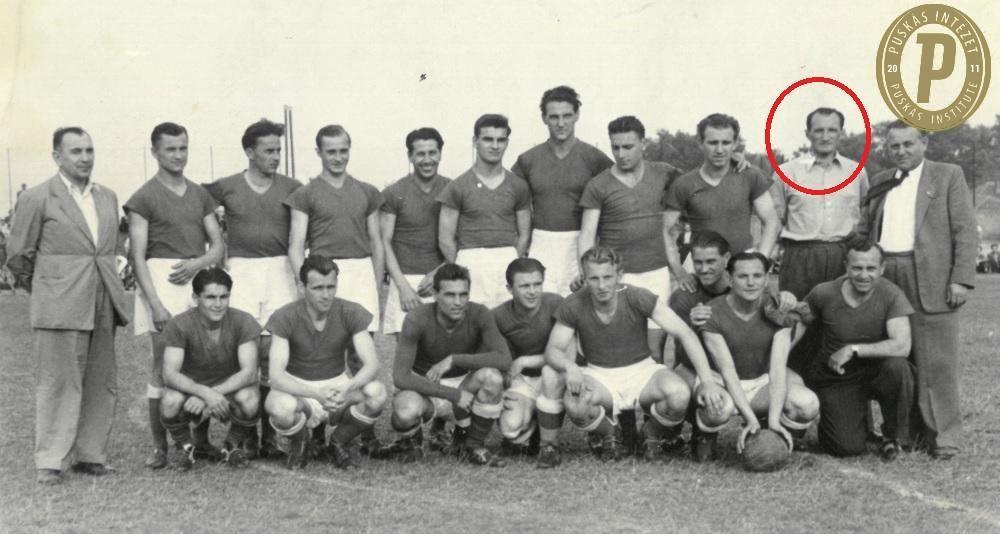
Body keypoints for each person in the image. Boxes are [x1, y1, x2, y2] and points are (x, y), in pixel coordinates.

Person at [6, 127, 131, 485]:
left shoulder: (107, 196)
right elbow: (18, 255)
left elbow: (109, 248)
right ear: (57, 156)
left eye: (89, 150)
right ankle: (50, 460)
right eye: (76, 151)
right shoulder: (37, 197)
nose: (85, 158)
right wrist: (50, 287)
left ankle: (91, 456)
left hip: (102, 300)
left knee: (100, 381)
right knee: (57, 382)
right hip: (59, 304)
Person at [855, 120, 977, 460]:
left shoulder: (948, 175)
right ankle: (905, 435)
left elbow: (965, 230)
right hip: (884, 273)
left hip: (931, 276)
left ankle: (944, 438)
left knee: (937, 361)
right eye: (894, 146)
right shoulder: (881, 180)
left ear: (924, 143)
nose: (901, 151)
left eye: (908, 144)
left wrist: (960, 278)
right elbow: (864, 229)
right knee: (897, 359)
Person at [543, 246, 725, 462]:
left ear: (619, 275)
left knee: (679, 395)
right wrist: (570, 367)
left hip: (642, 371)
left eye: (607, 277)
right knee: (575, 403)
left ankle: (650, 435)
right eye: (594, 279)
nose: (601, 285)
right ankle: (611, 434)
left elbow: (685, 334)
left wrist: (707, 381)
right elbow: (553, 349)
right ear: (584, 277)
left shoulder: (637, 296)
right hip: (600, 374)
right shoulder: (574, 303)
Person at [125, 122, 224, 469]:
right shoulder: (143, 197)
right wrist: (154, 303)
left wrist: (197, 263)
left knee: (203, 360)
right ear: (155, 152)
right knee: (162, 365)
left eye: (183, 148)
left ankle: (201, 441)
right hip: (161, 283)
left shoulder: (200, 194)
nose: (178, 155)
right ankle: (160, 447)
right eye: (170, 149)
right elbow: (137, 256)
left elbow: (218, 246)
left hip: (197, 281)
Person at [204, 119, 301, 458]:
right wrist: (213, 250)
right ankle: (243, 432)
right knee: (243, 350)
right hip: (242, 271)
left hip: (280, 272)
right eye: (268, 151)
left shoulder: (293, 187)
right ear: (249, 152)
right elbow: (194, 205)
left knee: (274, 353)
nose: (275, 157)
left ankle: (271, 437)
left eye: (278, 150)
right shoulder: (226, 186)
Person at [380, 263, 512, 466]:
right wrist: (452, 395)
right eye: (450, 295)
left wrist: (455, 359)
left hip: (464, 384)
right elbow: (401, 377)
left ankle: (472, 444)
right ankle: (411, 441)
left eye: (463, 295)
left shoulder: (480, 313)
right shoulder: (417, 318)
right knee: (405, 411)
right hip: (426, 386)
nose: (458, 302)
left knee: (492, 377)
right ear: (435, 294)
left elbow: (504, 359)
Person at [264, 255, 388, 470]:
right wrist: (316, 394)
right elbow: (276, 377)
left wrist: (346, 388)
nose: (326, 294)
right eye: (318, 288)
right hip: (300, 388)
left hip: (337, 385)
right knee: (278, 406)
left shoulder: (350, 311)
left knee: (376, 392)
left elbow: (372, 365)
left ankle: (338, 442)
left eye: (331, 287)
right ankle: (301, 442)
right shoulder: (285, 316)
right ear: (301, 287)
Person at [794, 240, 915, 459]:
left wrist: (854, 349)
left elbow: (902, 345)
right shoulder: (824, 293)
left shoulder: (892, 294)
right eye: (857, 268)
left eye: (871, 268)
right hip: (837, 376)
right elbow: (800, 322)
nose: (864, 275)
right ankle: (855, 430)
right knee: (845, 447)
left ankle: (895, 437)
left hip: (877, 370)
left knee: (898, 367)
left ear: (882, 268)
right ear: (846, 267)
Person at [771, 107, 869, 372]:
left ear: (841, 133)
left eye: (832, 130)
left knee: (841, 324)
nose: (825, 136)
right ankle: (794, 388)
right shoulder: (787, 172)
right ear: (808, 134)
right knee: (796, 321)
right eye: (819, 130)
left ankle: (840, 387)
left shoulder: (857, 172)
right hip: (800, 256)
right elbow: (776, 219)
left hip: (842, 255)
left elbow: (864, 215)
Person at [696, 252, 819, 461]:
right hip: (721, 382)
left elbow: (777, 370)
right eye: (743, 276)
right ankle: (704, 436)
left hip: (761, 381)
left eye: (757, 275)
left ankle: (777, 437)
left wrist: (774, 420)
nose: (751, 283)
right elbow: (728, 372)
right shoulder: (712, 312)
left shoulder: (777, 309)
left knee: (807, 403)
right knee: (719, 408)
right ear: (730, 279)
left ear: (767, 278)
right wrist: (749, 418)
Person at [578, 116, 677, 364]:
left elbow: (698, 177)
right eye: (616, 147)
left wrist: (735, 160)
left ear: (643, 144)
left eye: (628, 147)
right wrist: (585, 273)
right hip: (619, 276)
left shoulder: (663, 172)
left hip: (656, 272)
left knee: (655, 349)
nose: (621, 154)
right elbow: (587, 234)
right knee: (622, 346)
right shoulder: (598, 185)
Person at [513, 86, 613, 295]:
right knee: (542, 304)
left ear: (577, 115)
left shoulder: (595, 158)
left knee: (579, 305)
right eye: (554, 117)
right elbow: (510, 201)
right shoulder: (528, 159)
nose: (561, 123)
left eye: (567, 116)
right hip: (541, 241)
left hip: (581, 242)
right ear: (544, 118)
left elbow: (614, 197)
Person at [664, 113, 780, 292]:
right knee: (689, 307)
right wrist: (679, 271)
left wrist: (760, 261)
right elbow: (663, 229)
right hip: (701, 267)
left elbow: (771, 221)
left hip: (742, 263)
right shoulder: (684, 184)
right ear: (700, 142)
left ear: (735, 143)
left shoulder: (750, 175)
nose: (719, 150)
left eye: (726, 143)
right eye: (713, 142)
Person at [159, 268, 262, 470]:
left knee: (250, 398)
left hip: (228, 390)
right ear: (195, 298)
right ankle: (185, 447)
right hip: (191, 391)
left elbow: (249, 373)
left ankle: (232, 446)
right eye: (210, 297)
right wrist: (203, 393)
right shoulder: (179, 324)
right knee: (170, 399)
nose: (218, 304)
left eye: (224, 297)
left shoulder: (243, 321)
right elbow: (169, 374)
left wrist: (213, 394)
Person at [287, 124, 384, 333]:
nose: (338, 158)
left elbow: (376, 242)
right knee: (326, 342)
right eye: (331, 152)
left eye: (343, 151)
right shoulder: (305, 194)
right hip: (323, 272)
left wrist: (376, 283)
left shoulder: (368, 191)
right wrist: (308, 283)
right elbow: (295, 246)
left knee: (363, 341)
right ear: (319, 152)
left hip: (361, 273)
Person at [437, 114, 531, 309]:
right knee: (472, 321)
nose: (495, 146)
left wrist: (512, 261)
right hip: (470, 260)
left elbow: (524, 234)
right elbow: (445, 239)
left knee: (507, 319)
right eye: (488, 139)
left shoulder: (518, 186)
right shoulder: (457, 186)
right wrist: (462, 268)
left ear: (507, 143)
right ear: (475, 142)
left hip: (506, 258)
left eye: (501, 140)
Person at [491, 258, 564, 463]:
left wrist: (524, 361)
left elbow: (566, 354)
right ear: (509, 288)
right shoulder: (498, 316)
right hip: (523, 380)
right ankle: (535, 426)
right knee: (511, 427)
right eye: (524, 286)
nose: (532, 291)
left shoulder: (556, 304)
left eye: (537, 284)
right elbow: (496, 358)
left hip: (554, 374)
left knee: (551, 375)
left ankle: (548, 442)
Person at [381, 128, 452, 335]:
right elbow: (384, 241)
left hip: (443, 277)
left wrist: (439, 273)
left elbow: (460, 238)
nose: (427, 160)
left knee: (445, 345)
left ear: (440, 153)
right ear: (410, 156)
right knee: (406, 346)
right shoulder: (394, 192)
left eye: (432, 153)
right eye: (420, 154)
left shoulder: (453, 189)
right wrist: (402, 287)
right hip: (405, 281)